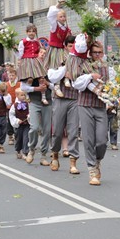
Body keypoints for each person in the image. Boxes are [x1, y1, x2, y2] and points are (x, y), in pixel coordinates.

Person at [71, 39, 110, 185]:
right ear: (90, 53)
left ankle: (97, 160)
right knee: (88, 138)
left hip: (100, 105)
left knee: (101, 140)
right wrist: (90, 77)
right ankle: (92, 169)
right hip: (85, 105)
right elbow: (77, 84)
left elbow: (110, 85)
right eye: (95, 52)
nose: (97, 55)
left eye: (100, 52)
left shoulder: (106, 67)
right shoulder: (84, 65)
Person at [47, 35, 81, 175]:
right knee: (57, 130)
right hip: (59, 98)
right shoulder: (59, 58)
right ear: (65, 46)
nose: (72, 47)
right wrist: (65, 69)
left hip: (74, 98)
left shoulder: (80, 60)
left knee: (73, 131)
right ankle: (55, 154)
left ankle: (73, 161)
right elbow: (52, 76)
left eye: (74, 45)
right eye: (69, 45)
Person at [9, 88, 31, 160]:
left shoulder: (28, 104)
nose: (23, 97)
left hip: (26, 124)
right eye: (21, 95)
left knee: (26, 137)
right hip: (19, 125)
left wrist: (29, 116)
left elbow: (31, 112)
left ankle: (25, 152)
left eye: (24, 95)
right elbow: (11, 115)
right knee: (18, 138)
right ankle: (18, 150)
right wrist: (16, 121)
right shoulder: (14, 106)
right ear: (17, 96)